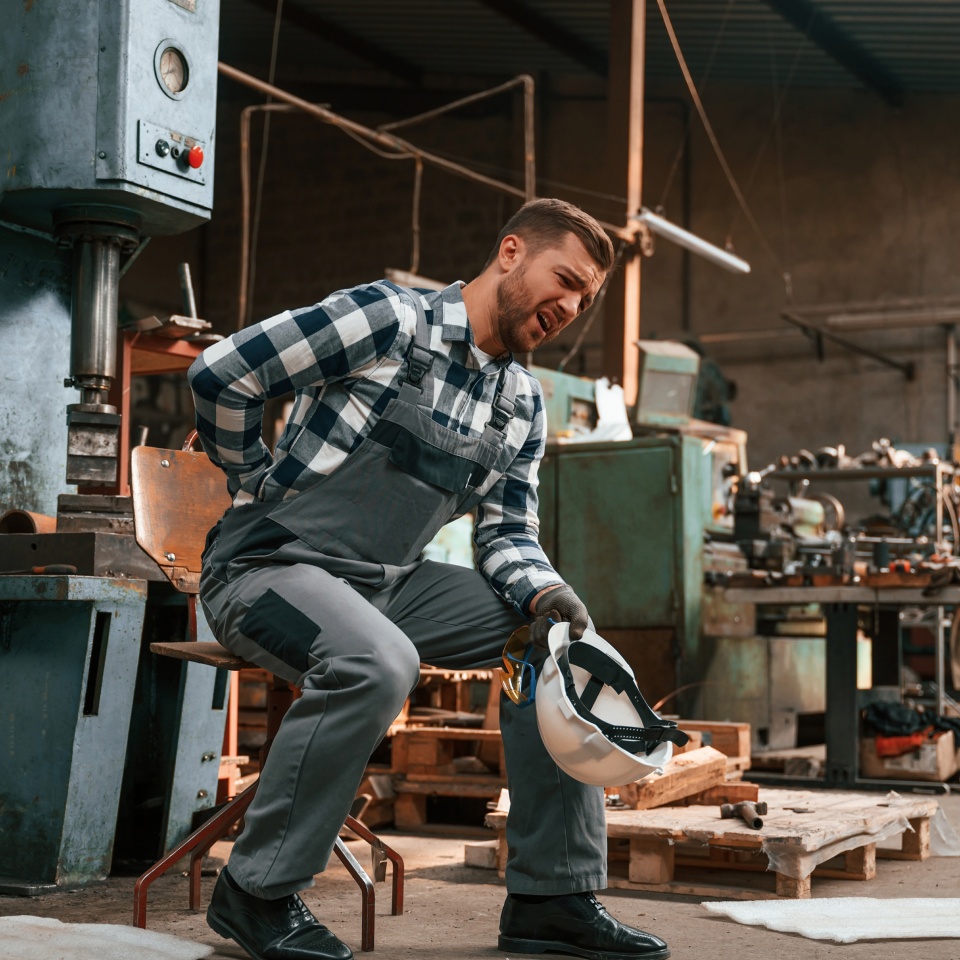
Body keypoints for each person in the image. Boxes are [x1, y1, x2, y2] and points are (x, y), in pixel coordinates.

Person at [187, 198, 670, 960]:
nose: (572, 307)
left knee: (550, 646)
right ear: (510, 252)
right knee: (378, 661)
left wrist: (545, 594)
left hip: (387, 584)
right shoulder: (388, 321)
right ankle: (256, 892)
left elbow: (507, 534)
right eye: (565, 279)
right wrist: (251, 478)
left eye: (586, 299)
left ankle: (554, 896)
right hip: (267, 566)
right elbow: (222, 373)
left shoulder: (521, 406)